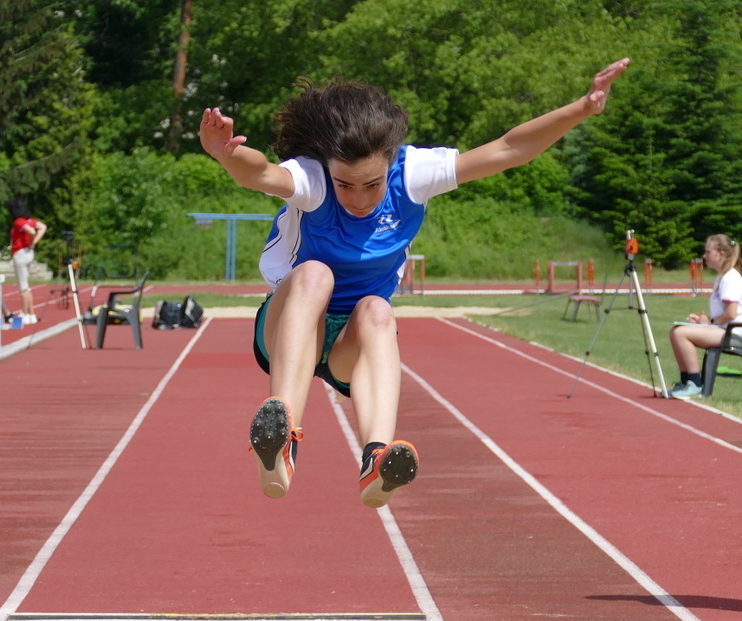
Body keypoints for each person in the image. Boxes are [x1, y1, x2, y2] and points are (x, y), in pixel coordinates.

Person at [199, 58, 631, 508]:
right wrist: (225, 152)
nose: (359, 199)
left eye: (372, 185)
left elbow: (509, 148)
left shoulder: (413, 175)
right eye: (346, 186)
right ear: (329, 171)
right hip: (290, 326)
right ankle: (282, 436)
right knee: (315, 273)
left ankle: (375, 458)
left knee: (378, 308)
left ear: (389, 166)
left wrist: (582, 108)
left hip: (351, 343)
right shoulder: (312, 178)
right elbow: (260, 172)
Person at [668, 234, 742, 399]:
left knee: (680, 333)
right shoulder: (722, 276)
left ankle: (694, 383)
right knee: (676, 331)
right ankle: (685, 381)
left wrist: (709, 322)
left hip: (738, 333)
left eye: (708, 252)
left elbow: (731, 314)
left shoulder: (730, 277)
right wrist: (704, 320)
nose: (704, 256)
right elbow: (724, 315)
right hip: (727, 329)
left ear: (721, 254)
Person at [7, 197, 47, 324]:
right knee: (26, 286)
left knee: (23, 287)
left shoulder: (19, 221)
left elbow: (31, 231)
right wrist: (34, 242)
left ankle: (25, 313)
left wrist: (32, 241)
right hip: (28, 253)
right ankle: (31, 314)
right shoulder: (30, 220)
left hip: (21, 253)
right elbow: (43, 227)